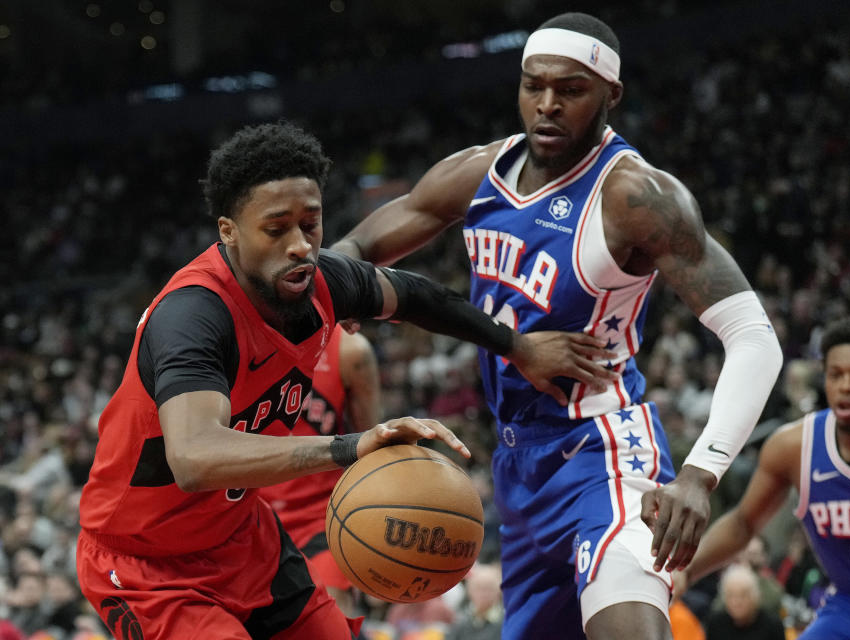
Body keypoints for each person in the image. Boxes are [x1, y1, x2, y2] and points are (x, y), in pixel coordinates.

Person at [331, 12, 782, 639]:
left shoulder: (637, 196)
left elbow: (755, 338)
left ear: (610, 95)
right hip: (517, 471)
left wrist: (702, 475)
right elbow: (363, 242)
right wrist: (340, 285)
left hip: (604, 453)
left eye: (570, 90)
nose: (546, 105)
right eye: (531, 85)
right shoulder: (482, 171)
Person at [75, 121, 616, 640]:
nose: (300, 245)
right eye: (275, 229)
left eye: (310, 224)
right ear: (229, 232)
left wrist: (518, 346)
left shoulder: (322, 283)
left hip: (239, 538)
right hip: (146, 561)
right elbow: (195, 458)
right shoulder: (193, 316)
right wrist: (351, 446)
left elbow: (417, 296)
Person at [674, 314, 850, 639]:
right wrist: (687, 571)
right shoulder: (793, 447)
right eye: (835, 374)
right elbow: (744, 523)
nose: (846, 386)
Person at [259, 325, 380, 618]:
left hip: (323, 518)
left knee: (331, 617)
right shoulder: (227, 336)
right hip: (252, 519)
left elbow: (372, 451)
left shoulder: (350, 350)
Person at [704, 564, 785, 640]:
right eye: (731, 595)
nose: (736, 602)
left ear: (755, 596)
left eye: (743, 595)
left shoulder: (773, 626)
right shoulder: (715, 624)